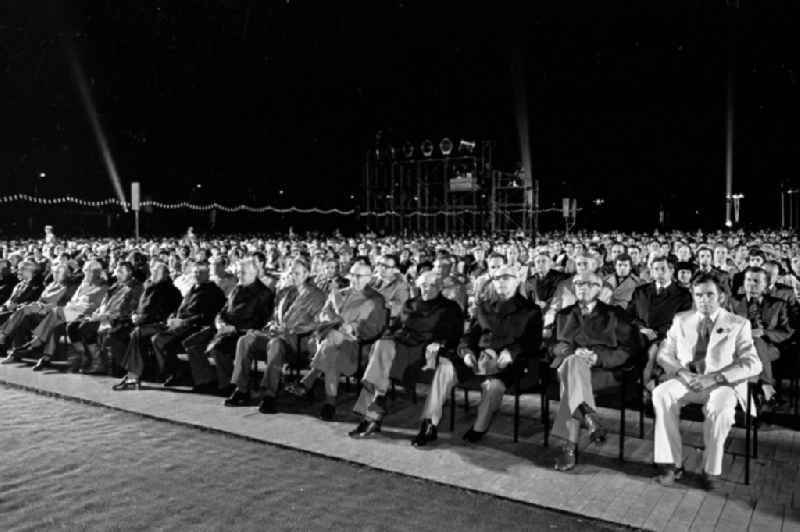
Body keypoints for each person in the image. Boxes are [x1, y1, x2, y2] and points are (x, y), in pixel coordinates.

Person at [411, 265, 542, 446]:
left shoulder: (531, 310)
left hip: (508, 362)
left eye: (506, 277)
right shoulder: (484, 306)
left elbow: (532, 342)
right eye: (496, 278)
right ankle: (429, 423)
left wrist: (511, 352)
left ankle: (479, 427)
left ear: (517, 279)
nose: (500, 282)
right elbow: (469, 336)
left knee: (493, 386)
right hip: (476, 356)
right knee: (445, 366)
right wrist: (466, 352)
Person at [653, 273, 762, 490]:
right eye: (699, 295)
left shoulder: (738, 324)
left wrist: (715, 377)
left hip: (723, 383)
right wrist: (683, 373)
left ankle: (710, 469)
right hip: (690, 379)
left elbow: (753, 363)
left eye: (710, 295)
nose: (704, 300)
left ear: (721, 297)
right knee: (661, 393)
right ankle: (670, 464)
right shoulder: (681, 319)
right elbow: (664, 354)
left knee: (719, 407)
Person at [348, 270, 463, 438]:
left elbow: (454, 335)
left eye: (432, 285)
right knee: (381, 345)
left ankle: (378, 414)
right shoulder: (410, 303)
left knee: (384, 358)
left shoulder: (450, 308)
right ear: (418, 285)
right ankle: (376, 406)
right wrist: (389, 336)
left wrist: (439, 343)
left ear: (440, 288)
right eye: (424, 285)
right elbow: (394, 327)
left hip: (428, 353)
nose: (427, 289)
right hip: (404, 346)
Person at [550, 271, 640, 472]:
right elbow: (550, 347)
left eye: (589, 283)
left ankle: (569, 448)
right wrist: (569, 351)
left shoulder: (615, 315)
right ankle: (589, 417)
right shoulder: (563, 315)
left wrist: (597, 357)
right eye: (578, 283)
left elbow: (629, 350)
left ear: (599, 288)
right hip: (567, 367)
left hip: (601, 372)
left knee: (569, 386)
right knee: (572, 365)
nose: (583, 287)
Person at [281, 262, 387, 420]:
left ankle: (313, 382)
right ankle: (328, 403)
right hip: (331, 344)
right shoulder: (341, 294)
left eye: (359, 276)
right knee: (333, 349)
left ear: (369, 278)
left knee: (332, 340)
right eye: (352, 275)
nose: (354, 280)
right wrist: (338, 321)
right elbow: (322, 315)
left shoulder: (375, 299)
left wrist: (349, 328)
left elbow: (373, 329)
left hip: (358, 347)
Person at [225, 258, 322, 412]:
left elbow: (318, 324)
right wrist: (272, 325)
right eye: (291, 273)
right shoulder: (285, 292)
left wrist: (291, 330)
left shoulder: (317, 296)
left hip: (296, 342)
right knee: (245, 340)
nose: (293, 276)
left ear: (307, 274)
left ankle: (270, 394)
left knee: (275, 344)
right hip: (275, 336)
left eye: (297, 273)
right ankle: (241, 389)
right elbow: (272, 317)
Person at [186, 257, 274, 394]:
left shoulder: (264, 293)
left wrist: (234, 328)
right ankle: (206, 380)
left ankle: (229, 385)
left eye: (243, 273)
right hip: (223, 328)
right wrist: (219, 322)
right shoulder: (237, 289)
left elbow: (260, 321)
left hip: (243, 332)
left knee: (219, 348)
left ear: (254, 273)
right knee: (193, 343)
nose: (239, 275)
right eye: (239, 272)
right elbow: (223, 310)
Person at [11, 260, 108, 370]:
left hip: (85, 315)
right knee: (55, 326)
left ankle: (36, 342)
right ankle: (46, 357)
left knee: (56, 312)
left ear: (95, 272)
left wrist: (73, 307)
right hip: (71, 313)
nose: (85, 273)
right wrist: (71, 307)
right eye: (85, 270)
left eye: (88, 271)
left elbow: (94, 307)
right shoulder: (83, 285)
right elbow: (73, 300)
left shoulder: (102, 287)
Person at [153, 261, 227, 386]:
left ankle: (202, 379)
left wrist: (184, 321)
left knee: (168, 341)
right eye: (195, 272)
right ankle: (175, 372)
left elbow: (207, 316)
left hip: (198, 326)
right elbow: (181, 307)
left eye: (200, 272)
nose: (197, 275)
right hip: (181, 324)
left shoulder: (214, 292)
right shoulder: (192, 289)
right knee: (157, 339)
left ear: (208, 274)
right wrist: (173, 317)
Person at [729, 267, 792, 408]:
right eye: (748, 280)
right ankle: (766, 387)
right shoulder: (733, 302)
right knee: (752, 348)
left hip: (769, 348)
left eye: (756, 281)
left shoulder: (778, 304)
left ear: (765, 285)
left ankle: (750, 399)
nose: (751, 284)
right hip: (738, 348)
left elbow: (786, 332)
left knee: (757, 342)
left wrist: (764, 333)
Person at [112, 262, 182, 389]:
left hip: (161, 324)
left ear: (166, 274)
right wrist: (135, 315)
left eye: (157, 272)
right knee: (132, 334)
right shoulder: (150, 287)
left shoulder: (170, 290)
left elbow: (159, 312)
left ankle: (132, 376)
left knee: (136, 333)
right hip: (145, 322)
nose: (153, 274)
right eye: (153, 271)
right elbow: (141, 307)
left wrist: (140, 319)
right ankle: (132, 376)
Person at [628, 256, 693, 392]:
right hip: (639, 334)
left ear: (671, 271)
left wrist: (657, 333)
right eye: (655, 269)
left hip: (666, 337)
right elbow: (629, 315)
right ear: (651, 272)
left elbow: (681, 322)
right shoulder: (641, 291)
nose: (659, 272)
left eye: (663, 269)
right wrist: (642, 329)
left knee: (653, 352)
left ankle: (645, 390)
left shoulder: (683, 295)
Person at [66, 261, 143, 373]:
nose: (118, 274)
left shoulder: (135, 287)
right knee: (72, 326)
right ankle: (85, 358)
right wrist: (97, 313)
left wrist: (106, 315)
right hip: (103, 315)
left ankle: (98, 363)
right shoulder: (115, 286)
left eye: (121, 272)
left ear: (130, 273)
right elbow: (104, 302)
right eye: (117, 271)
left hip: (117, 319)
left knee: (85, 328)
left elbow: (128, 309)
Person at [0, 262, 77, 357]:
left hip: (52, 313)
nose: (55, 274)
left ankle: (3, 335)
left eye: (58, 272)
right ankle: (16, 352)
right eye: (53, 272)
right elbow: (40, 299)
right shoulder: (51, 284)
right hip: (39, 309)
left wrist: (43, 306)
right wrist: (38, 304)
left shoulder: (69, 287)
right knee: (23, 318)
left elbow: (64, 304)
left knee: (24, 310)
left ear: (65, 273)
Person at [370, 254, 409, 320]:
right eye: (381, 264)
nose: (383, 268)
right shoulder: (371, 278)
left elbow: (398, 308)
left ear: (395, 269)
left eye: (387, 266)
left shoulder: (400, 285)